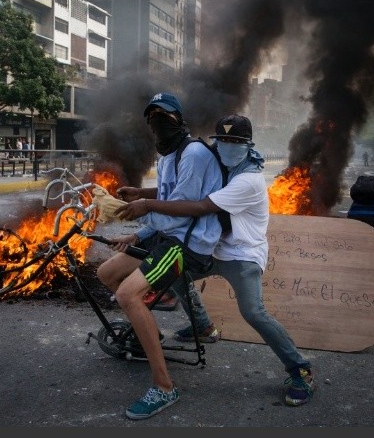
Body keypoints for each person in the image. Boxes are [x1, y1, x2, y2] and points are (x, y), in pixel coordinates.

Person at [115, 114, 316, 407]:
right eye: (223, 141)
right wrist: (144, 192)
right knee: (175, 278)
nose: (229, 147)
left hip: (242, 255)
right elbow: (186, 191)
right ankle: (204, 326)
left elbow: (198, 205)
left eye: (236, 142)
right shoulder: (225, 168)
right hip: (214, 248)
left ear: (248, 145)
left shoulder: (248, 180)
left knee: (254, 312)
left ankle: (300, 370)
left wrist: (146, 205)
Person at [96, 92, 224, 420]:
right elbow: (170, 194)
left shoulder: (193, 152)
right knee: (107, 274)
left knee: (127, 295)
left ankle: (164, 386)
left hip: (187, 244)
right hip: (167, 235)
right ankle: (145, 332)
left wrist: (145, 208)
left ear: (179, 119)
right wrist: (142, 196)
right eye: (151, 118)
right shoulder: (168, 155)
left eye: (164, 116)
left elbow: (184, 209)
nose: (157, 123)